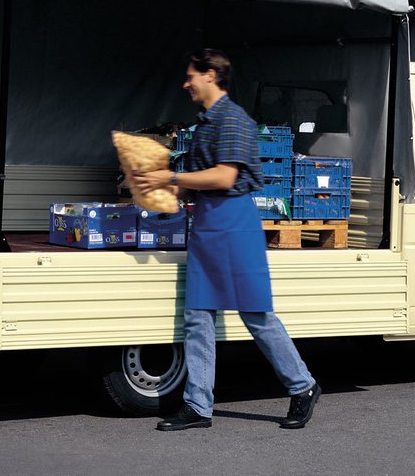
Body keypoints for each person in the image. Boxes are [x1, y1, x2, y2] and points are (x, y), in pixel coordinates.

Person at [132, 49, 321, 431]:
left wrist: (171, 180)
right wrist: (163, 191)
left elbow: (224, 178)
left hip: (234, 224)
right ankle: (198, 406)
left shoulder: (232, 119)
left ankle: (303, 386)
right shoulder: (207, 122)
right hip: (208, 224)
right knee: (198, 317)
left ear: (211, 75)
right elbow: (201, 181)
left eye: (190, 76)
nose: (186, 83)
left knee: (256, 314)